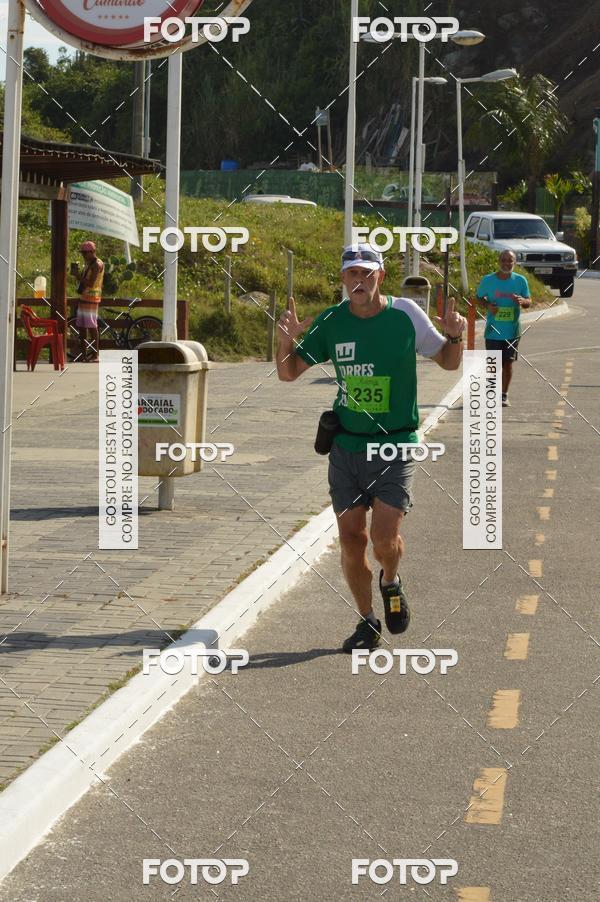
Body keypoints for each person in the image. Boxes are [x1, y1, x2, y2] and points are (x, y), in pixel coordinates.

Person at [276, 243, 466, 652]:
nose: (358, 281)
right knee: (350, 540)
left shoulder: (405, 315)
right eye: (351, 274)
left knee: (383, 540)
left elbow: (449, 363)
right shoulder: (332, 320)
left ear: (380, 275)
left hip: (394, 444)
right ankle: (366, 621)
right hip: (345, 447)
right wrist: (286, 340)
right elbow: (288, 372)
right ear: (343, 278)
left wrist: (455, 335)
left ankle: (391, 580)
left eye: (366, 273)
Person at [476, 250, 531, 407]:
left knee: (508, 363)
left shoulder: (520, 281)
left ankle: (504, 395)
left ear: (515, 262)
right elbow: (478, 297)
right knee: (493, 363)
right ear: (499, 261)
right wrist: (487, 305)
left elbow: (528, 301)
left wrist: (522, 301)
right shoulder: (488, 280)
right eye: (504, 260)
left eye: (510, 260)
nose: (507, 263)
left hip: (512, 331)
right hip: (493, 330)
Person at [72, 240, 104, 362]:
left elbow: (91, 283)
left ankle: (96, 355)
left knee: (91, 326)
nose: (83, 255)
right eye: (82, 253)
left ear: (92, 252)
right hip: (85, 298)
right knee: (82, 326)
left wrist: (77, 276)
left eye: (85, 253)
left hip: (92, 298)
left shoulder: (97, 264)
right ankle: (84, 355)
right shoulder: (89, 263)